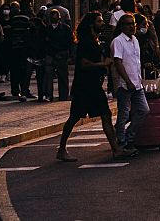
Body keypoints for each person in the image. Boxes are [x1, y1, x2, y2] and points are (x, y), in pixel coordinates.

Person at [57, 13, 132, 161]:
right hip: (85, 85)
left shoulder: (95, 41)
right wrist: (103, 64)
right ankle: (61, 149)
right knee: (74, 118)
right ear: (91, 24)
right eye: (99, 21)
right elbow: (84, 63)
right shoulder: (86, 42)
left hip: (94, 85)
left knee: (105, 114)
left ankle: (116, 149)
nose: (102, 24)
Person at [109, 14, 149, 152]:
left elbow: (136, 62)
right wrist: (127, 80)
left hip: (137, 83)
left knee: (144, 110)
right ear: (121, 26)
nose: (132, 26)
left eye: (133, 23)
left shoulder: (135, 40)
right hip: (124, 84)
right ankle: (122, 140)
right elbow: (118, 62)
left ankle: (129, 135)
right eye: (128, 24)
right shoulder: (118, 41)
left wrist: (139, 79)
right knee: (124, 113)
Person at [38, 8, 72, 103]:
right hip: (50, 54)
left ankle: (63, 95)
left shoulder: (65, 29)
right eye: (52, 17)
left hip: (62, 53)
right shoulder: (47, 29)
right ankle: (48, 95)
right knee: (48, 74)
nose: (54, 19)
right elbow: (44, 43)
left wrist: (66, 54)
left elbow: (69, 42)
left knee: (63, 75)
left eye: (56, 17)